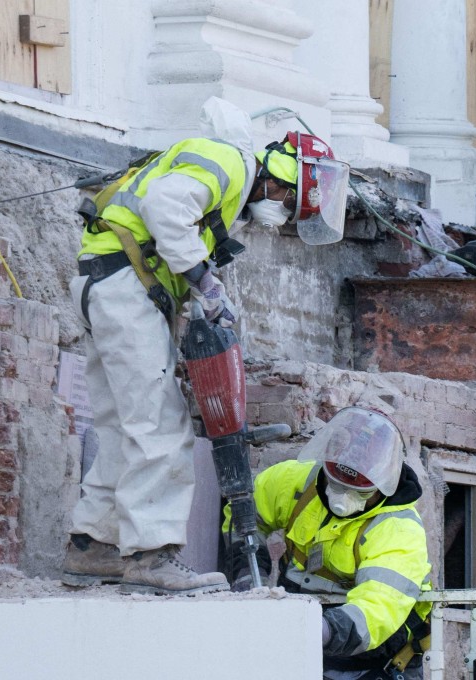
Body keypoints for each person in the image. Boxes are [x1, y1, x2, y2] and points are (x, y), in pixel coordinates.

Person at [60, 96, 349, 595]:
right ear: (279, 182)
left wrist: (196, 287)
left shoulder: (224, 176)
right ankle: (153, 553)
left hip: (106, 284)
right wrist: (203, 281)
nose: (278, 215)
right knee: (160, 423)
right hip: (125, 287)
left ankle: (93, 543)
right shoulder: (230, 163)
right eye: (285, 202)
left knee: (118, 421)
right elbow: (164, 207)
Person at [223, 407, 433, 679]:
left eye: (359, 492)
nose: (342, 500)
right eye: (337, 485)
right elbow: (244, 516)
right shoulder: (294, 481)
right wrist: (247, 573)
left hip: (377, 660)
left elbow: (379, 608)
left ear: (385, 482)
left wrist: (318, 629)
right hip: (304, 645)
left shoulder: (398, 528)